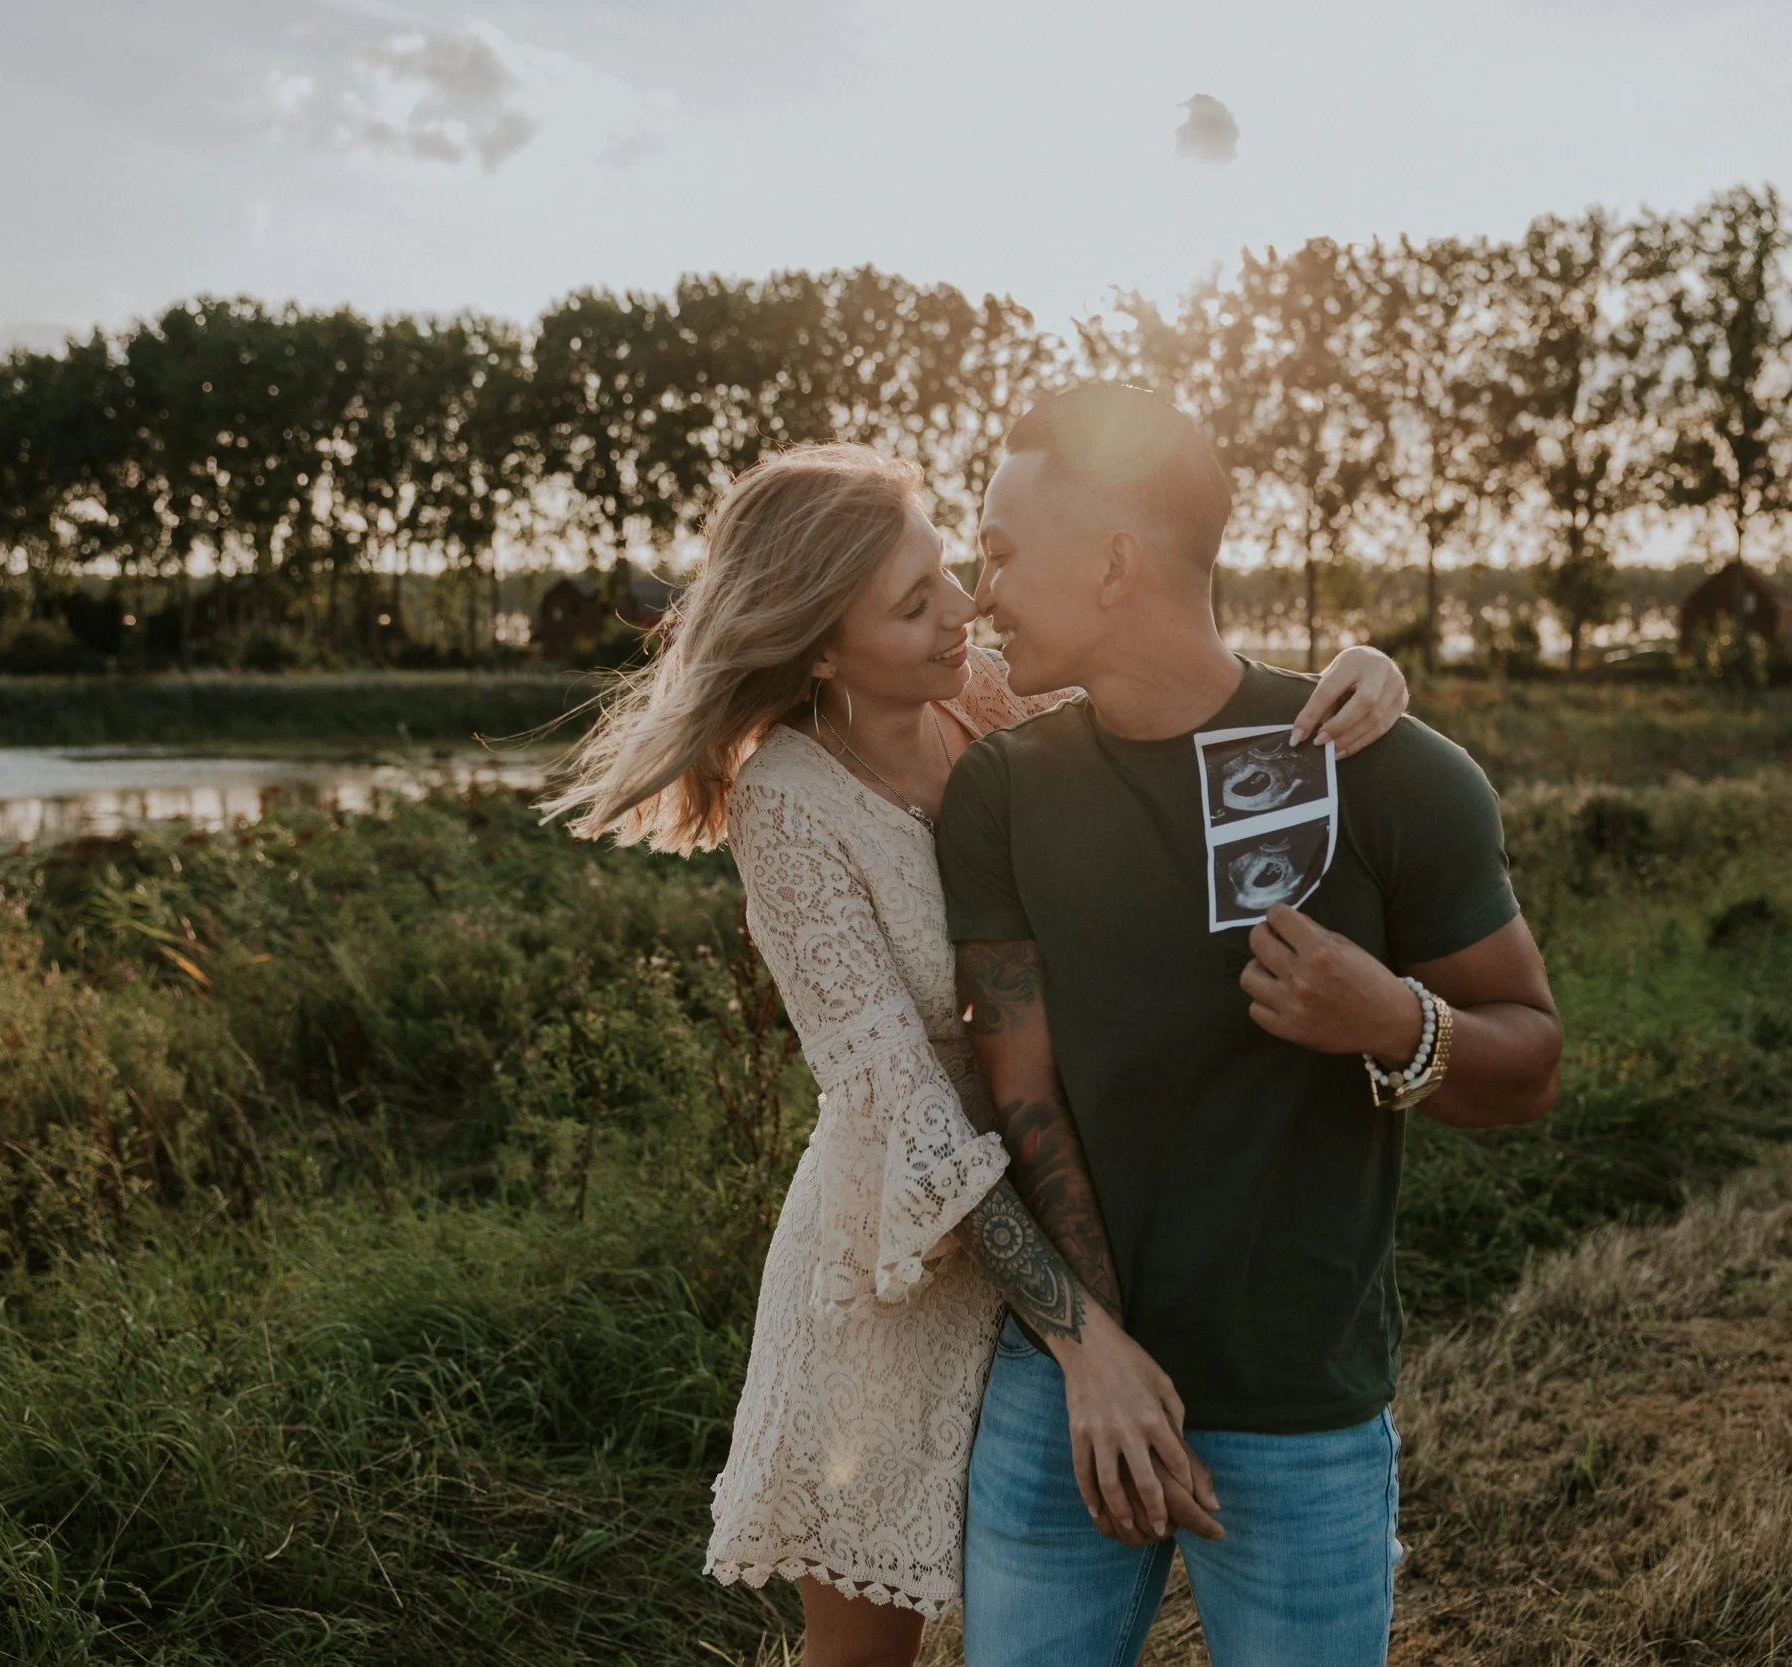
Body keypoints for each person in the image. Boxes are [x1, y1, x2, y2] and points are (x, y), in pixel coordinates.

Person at [539, 442, 1410, 1667]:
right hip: (895, 1277)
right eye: (915, 602)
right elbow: (910, 1113)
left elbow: (1179, 690)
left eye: (948, 569)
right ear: (820, 647)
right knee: (863, 1658)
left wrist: (1350, 676)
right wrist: (1085, 1342)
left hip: (1055, 1213)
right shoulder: (788, 805)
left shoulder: (985, 694)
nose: (966, 607)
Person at [938, 385, 1564, 1666]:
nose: (980, 586)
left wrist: (1391, 1018)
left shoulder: (1389, 772)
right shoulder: (999, 787)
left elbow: (1530, 1061)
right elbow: (1022, 1097)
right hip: (1061, 1397)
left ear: (1115, 561)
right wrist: (1091, 1353)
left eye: (1000, 549)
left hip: (1298, 1415)